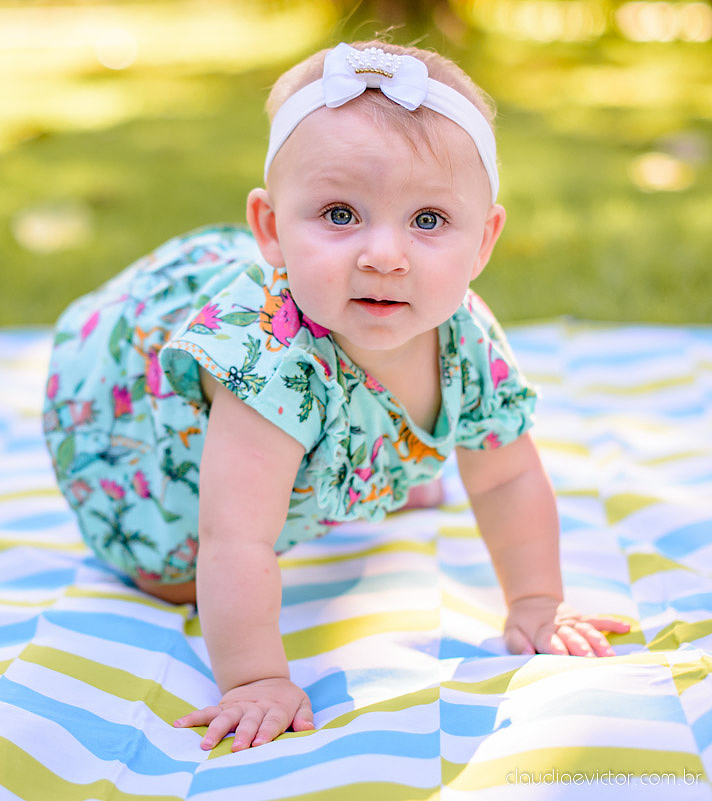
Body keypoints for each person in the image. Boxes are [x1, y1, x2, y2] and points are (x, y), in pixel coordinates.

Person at [41, 40, 630, 752]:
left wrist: (536, 601)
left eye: (428, 220)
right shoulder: (270, 360)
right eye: (341, 214)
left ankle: (365, 471)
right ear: (271, 229)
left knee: (361, 458)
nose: (384, 255)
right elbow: (235, 540)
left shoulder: (466, 338)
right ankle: (328, 484)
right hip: (152, 461)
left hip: (306, 436)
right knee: (181, 573)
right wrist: (255, 678)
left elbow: (506, 477)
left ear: (483, 241)